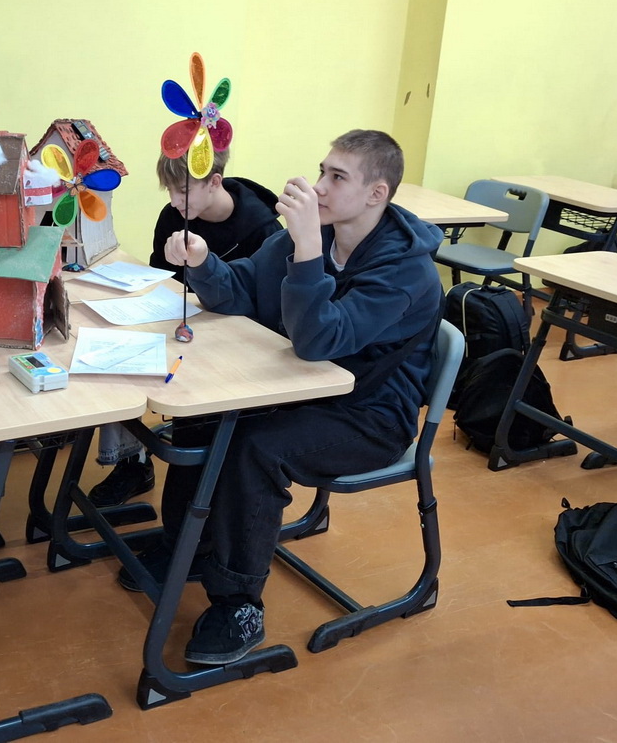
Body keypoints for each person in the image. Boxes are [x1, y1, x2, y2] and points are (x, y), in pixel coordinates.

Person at [122, 129, 443, 666]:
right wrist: (203, 261)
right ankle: (189, 546)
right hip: (306, 391)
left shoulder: (405, 267)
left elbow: (320, 341)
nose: (319, 187)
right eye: (321, 171)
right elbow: (241, 289)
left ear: (376, 194)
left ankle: (239, 603)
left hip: (371, 414)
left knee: (256, 447)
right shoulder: (314, 234)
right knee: (204, 417)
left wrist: (308, 250)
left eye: (337, 177)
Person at [88, 148, 283, 507]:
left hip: (234, 345)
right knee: (115, 355)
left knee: (193, 414)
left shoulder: (263, 230)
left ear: (214, 182)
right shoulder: (173, 217)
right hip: (184, 330)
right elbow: (160, 280)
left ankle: (195, 497)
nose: (175, 201)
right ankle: (133, 464)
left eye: (184, 191)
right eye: (170, 190)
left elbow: (264, 309)